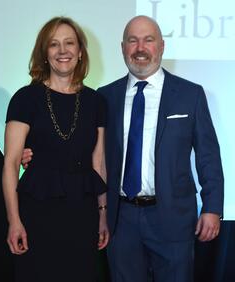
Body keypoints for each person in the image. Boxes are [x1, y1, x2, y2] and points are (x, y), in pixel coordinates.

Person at [22, 15, 224, 282]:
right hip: (121, 220)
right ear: (122, 47)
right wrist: (37, 154)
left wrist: (212, 207)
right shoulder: (104, 97)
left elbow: (208, 155)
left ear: (161, 46)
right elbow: (83, 148)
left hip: (173, 218)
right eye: (133, 40)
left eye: (148, 40)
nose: (140, 48)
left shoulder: (190, 94)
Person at [2, 16, 109, 282]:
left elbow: (98, 163)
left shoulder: (96, 102)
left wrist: (102, 215)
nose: (63, 51)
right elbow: (11, 163)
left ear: (80, 51)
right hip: (37, 214)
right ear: (44, 54)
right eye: (54, 44)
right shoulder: (25, 99)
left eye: (69, 43)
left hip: (82, 214)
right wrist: (14, 221)